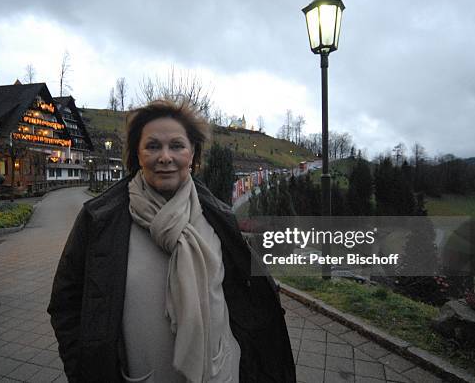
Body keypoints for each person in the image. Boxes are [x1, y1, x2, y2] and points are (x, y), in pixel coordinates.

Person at [48, 99, 296, 383]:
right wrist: (83, 371)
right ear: (137, 155)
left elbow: (247, 298)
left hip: (221, 372)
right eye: (153, 146)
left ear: (193, 154)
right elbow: (65, 304)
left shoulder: (218, 217)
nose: (165, 156)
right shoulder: (100, 220)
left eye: (177, 145)